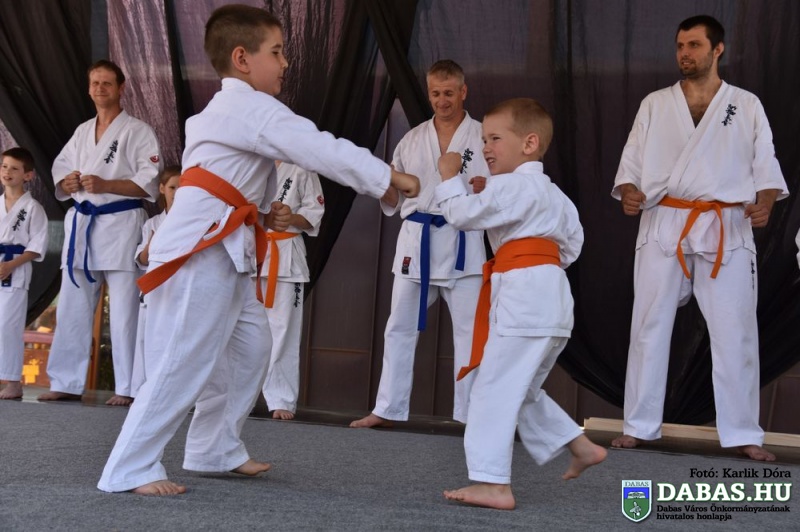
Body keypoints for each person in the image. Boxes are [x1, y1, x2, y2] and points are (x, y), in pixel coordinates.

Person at [97, 4, 418, 496]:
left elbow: (234, 176)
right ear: (242, 58)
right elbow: (319, 147)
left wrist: (266, 213)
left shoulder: (233, 111)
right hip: (198, 253)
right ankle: (129, 466)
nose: (286, 62)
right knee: (183, 360)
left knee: (252, 348)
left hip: (225, 250)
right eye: (277, 52)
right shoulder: (247, 108)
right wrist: (386, 176)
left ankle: (213, 447)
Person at [610, 15, 787, 461]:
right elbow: (631, 164)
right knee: (648, 326)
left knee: (735, 331)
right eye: (680, 46)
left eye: (693, 45)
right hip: (665, 220)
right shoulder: (655, 104)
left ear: (717, 49)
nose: (684, 54)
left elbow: (766, 164)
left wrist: (766, 201)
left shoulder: (745, 104)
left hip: (725, 222)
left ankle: (744, 432)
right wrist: (629, 192)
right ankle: (638, 426)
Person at [436, 98, 606, 510]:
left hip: (523, 298)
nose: (486, 147)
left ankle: (493, 483)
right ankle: (578, 444)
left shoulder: (511, 186)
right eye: (484, 139)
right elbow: (572, 247)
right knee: (521, 387)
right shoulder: (555, 195)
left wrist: (449, 178)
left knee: (491, 389)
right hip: (551, 297)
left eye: (495, 138)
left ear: (529, 143)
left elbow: (461, 215)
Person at [351, 60, 488, 429]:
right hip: (418, 243)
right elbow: (395, 200)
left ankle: (472, 415)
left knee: (471, 334)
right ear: (428, 94)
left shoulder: (483, 136)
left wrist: (485, 188)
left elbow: (502, 187)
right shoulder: (412, 140)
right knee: (398, 327)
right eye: (435, 93)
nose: (442, 100)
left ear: (463, 91)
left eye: (449, 93)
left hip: (464, 242)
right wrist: (382, 185)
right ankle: (387, 408)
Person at [39, 59, 162, 407]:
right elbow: (61, 170)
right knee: (72, 307)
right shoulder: (82, 131)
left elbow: (149, 182)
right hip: (83, 226)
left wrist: (107, 184)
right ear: (88, 88)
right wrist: (68, 182)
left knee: (124, 311)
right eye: (95, 83)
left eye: (107, 83)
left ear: (121, 88)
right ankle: (65, 381)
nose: (100, 89)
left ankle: (128, 386)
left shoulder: (139, 131)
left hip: (120, 225)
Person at [257, 161, 324, 420]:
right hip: (251, 252)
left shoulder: (302, 168)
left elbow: (314, 212)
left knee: (284, 329)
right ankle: (234, 394)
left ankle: (280, 397)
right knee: (240, 329)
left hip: (286, 254)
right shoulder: (251, 162)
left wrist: (288, 217)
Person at [0, 148, 48, 400]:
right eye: (4, 166)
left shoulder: (32, 208)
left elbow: (37, 246)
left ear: (28, 175)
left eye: (14, 168)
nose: (7, 172)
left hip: (16, 271)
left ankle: (13, 382)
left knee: (8, 326)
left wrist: (11, 265)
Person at [129, 165, 181, 397]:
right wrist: (152, 245)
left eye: (183, 188)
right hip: (155, 289)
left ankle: (173, 394)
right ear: (162, 189)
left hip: (180, 289)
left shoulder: (194, 222)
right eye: (172, 187)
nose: (177, 193)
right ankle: (142, 393)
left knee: (176, 342)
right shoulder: (152, 223)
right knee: (146, 341)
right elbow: (141, 259)